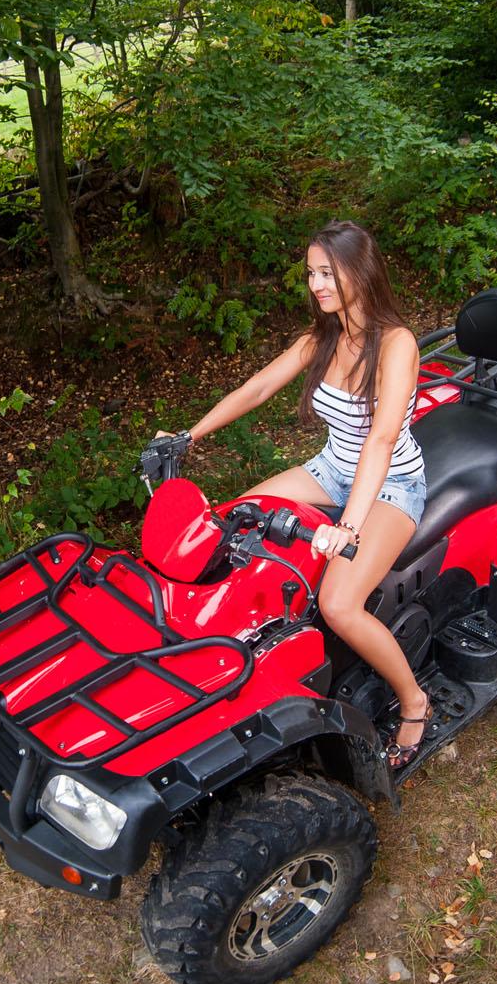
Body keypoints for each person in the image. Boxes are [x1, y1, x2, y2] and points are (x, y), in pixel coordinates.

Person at [155, 221, 431, 767]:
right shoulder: (322, 337)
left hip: (391, 487)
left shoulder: (397, 344)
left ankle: (414, 700)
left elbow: (379, 440)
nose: (316, 284)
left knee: (338, 603)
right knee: (227, 525)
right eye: (311, 273)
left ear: (361, 271)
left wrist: (349, 527)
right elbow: (257, 387)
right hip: (331, 469)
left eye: (327, 273)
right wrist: (189, 435)